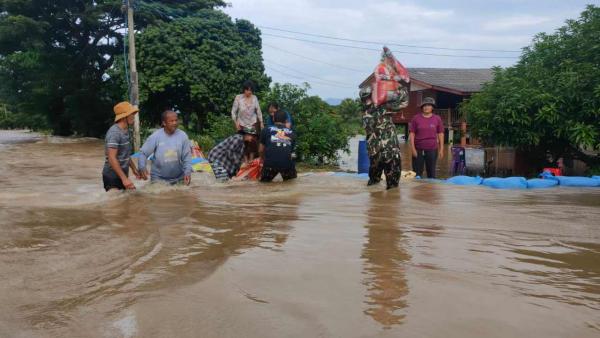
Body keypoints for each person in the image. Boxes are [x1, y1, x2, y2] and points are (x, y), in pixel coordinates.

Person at [360, 86, 402, 190]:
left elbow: (400, 99)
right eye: (365, 99)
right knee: (374, 183)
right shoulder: (365, 113)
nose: (368, 101)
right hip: (375, 151)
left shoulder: (385, 107)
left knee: (392, 185)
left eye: (369, 98)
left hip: (390, 150)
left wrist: (397, 87)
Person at [138, 110, 192, 185]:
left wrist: (187, 172)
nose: (175, 123)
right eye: (171, 121)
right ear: (164, 123)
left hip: (179, 178)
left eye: (176, 120)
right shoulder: (156, 136)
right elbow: (143, 153)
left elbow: (187, 157)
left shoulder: (183, 136)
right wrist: (142, 166)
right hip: (158, 179)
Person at [102, 101, 141, 191]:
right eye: (131, 114)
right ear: (124, 117)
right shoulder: (114, 132)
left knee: (131, 198)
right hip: (112, 175)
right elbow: (112, 158)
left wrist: (134, 169)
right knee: (115, 203)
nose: (134, 116)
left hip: (122, 174)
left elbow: (125, 154)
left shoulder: (126, 131)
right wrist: (124, 179)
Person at [409, 97, 444, 178]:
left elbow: (440, 133)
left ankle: (430, 190)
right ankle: (417, 190)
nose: (426, 107)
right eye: (424, 105)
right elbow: (412, 134)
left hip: (432, 149)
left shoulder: (437, 118)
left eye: (428, 105)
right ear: (422, 107)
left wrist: (441, 149)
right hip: (418, 149)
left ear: (432, 107)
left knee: (431, 173)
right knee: (417, 174)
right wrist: (413, 149)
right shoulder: (416, 118)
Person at [259, 109, 297, 182]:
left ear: (273, 118)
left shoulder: (266, 130)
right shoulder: (292, 133)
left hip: (270, 164)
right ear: (286, 120)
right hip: (287, 165)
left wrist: (263, 160)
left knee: (264, 185)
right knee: (292, 184)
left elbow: (260, 150)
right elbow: (290, 153)